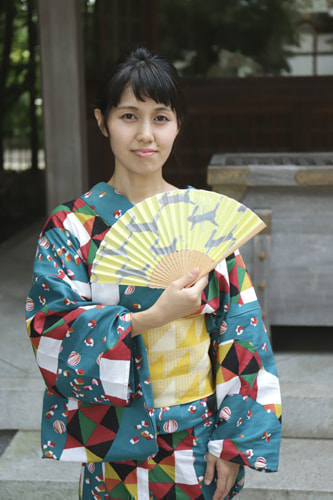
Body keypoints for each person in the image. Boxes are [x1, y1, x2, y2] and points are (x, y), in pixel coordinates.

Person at [25, 47, 281, 500]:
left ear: (178, 124)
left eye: (160, 117)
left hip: (196, 437)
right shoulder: (73, 227)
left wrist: (234, 440)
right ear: (102, 121)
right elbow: (50, 330)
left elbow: (243, 335)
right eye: (129, 116)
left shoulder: (205, 222)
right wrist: (148, 318)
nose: (146, 134)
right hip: (113, 438)